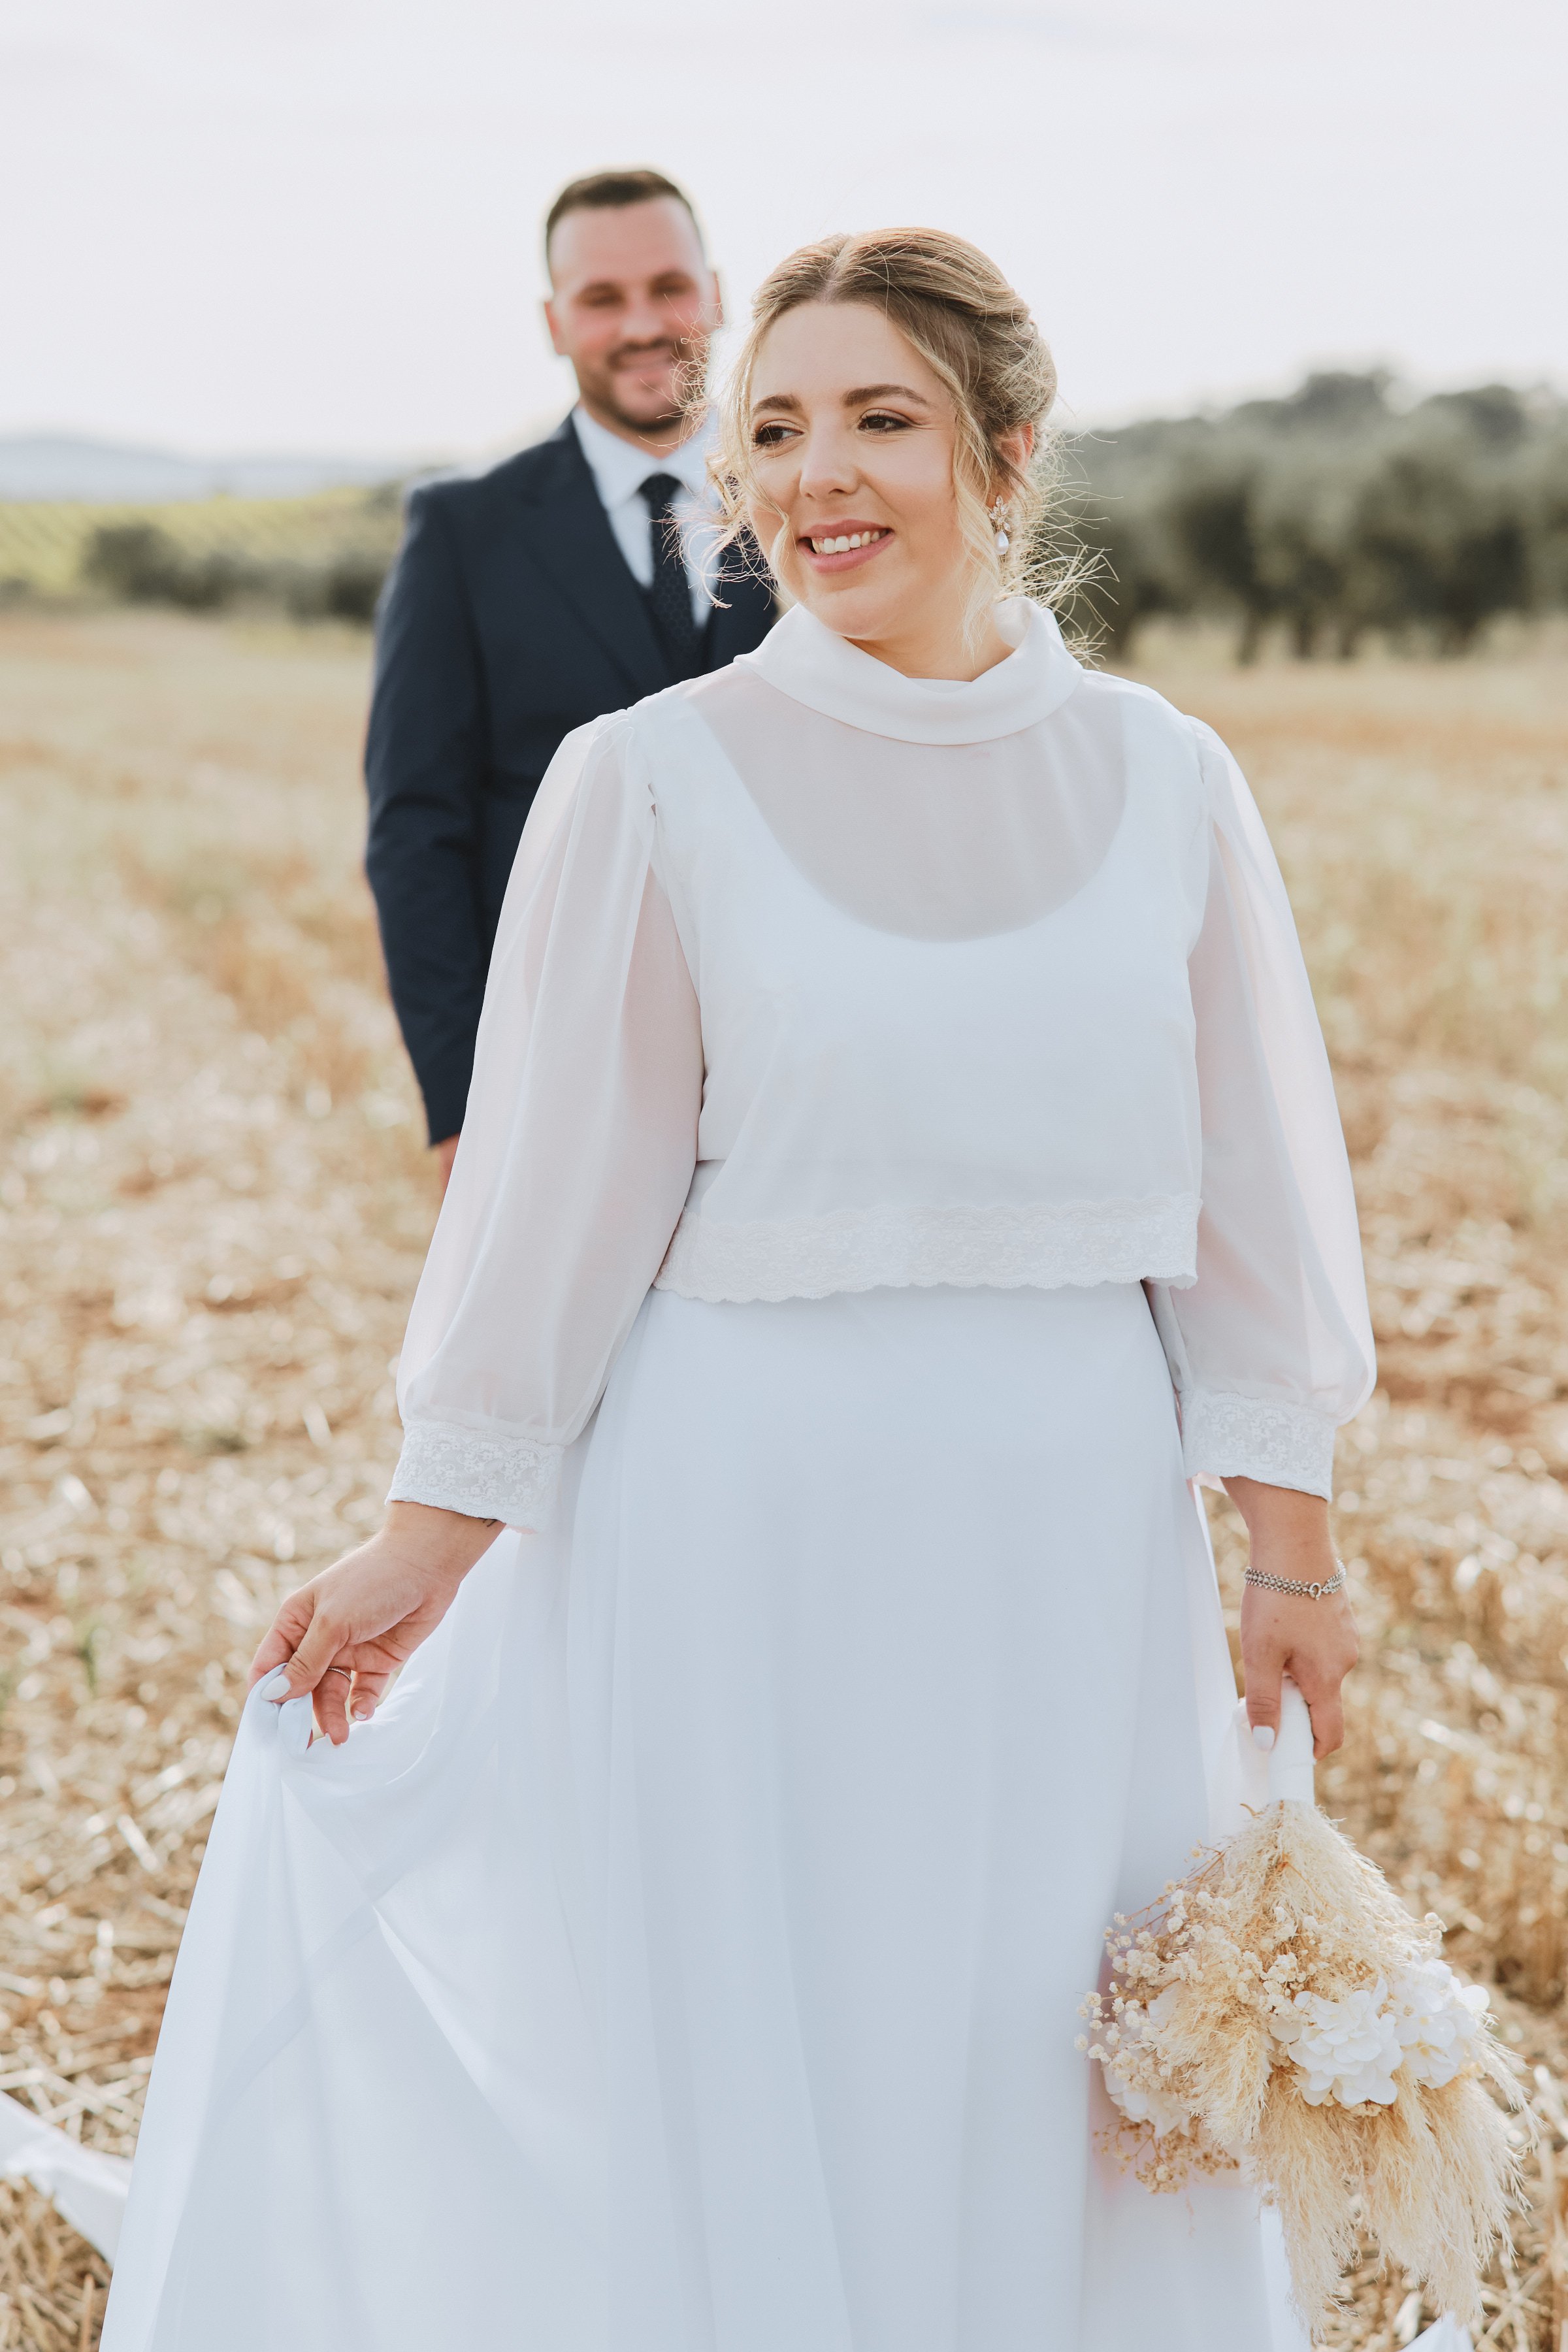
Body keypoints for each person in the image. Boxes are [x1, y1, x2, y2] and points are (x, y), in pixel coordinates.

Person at [103, 229, 1373, 2352]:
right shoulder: (651, 781)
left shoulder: (1170, 779)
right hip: (739, 1541)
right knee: (782, 2063)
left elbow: (1251, 1193)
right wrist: (426, 1543)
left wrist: (1296, 1551)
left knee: (1059, 2071)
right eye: (772, 427)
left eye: (880, 417)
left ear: (1007, 453)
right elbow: (554, 1220)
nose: (815, 474)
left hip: (1073, 1548)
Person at [364, 167, 774, 1183]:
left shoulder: (811, 496)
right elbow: (417, 827)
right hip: (555, 1064)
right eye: (602, 298)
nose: (643, 324)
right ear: (555, 321)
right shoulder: (463, 532)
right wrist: (463, 1104)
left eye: (668, 287)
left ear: (717, 295)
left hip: (794, 1054)